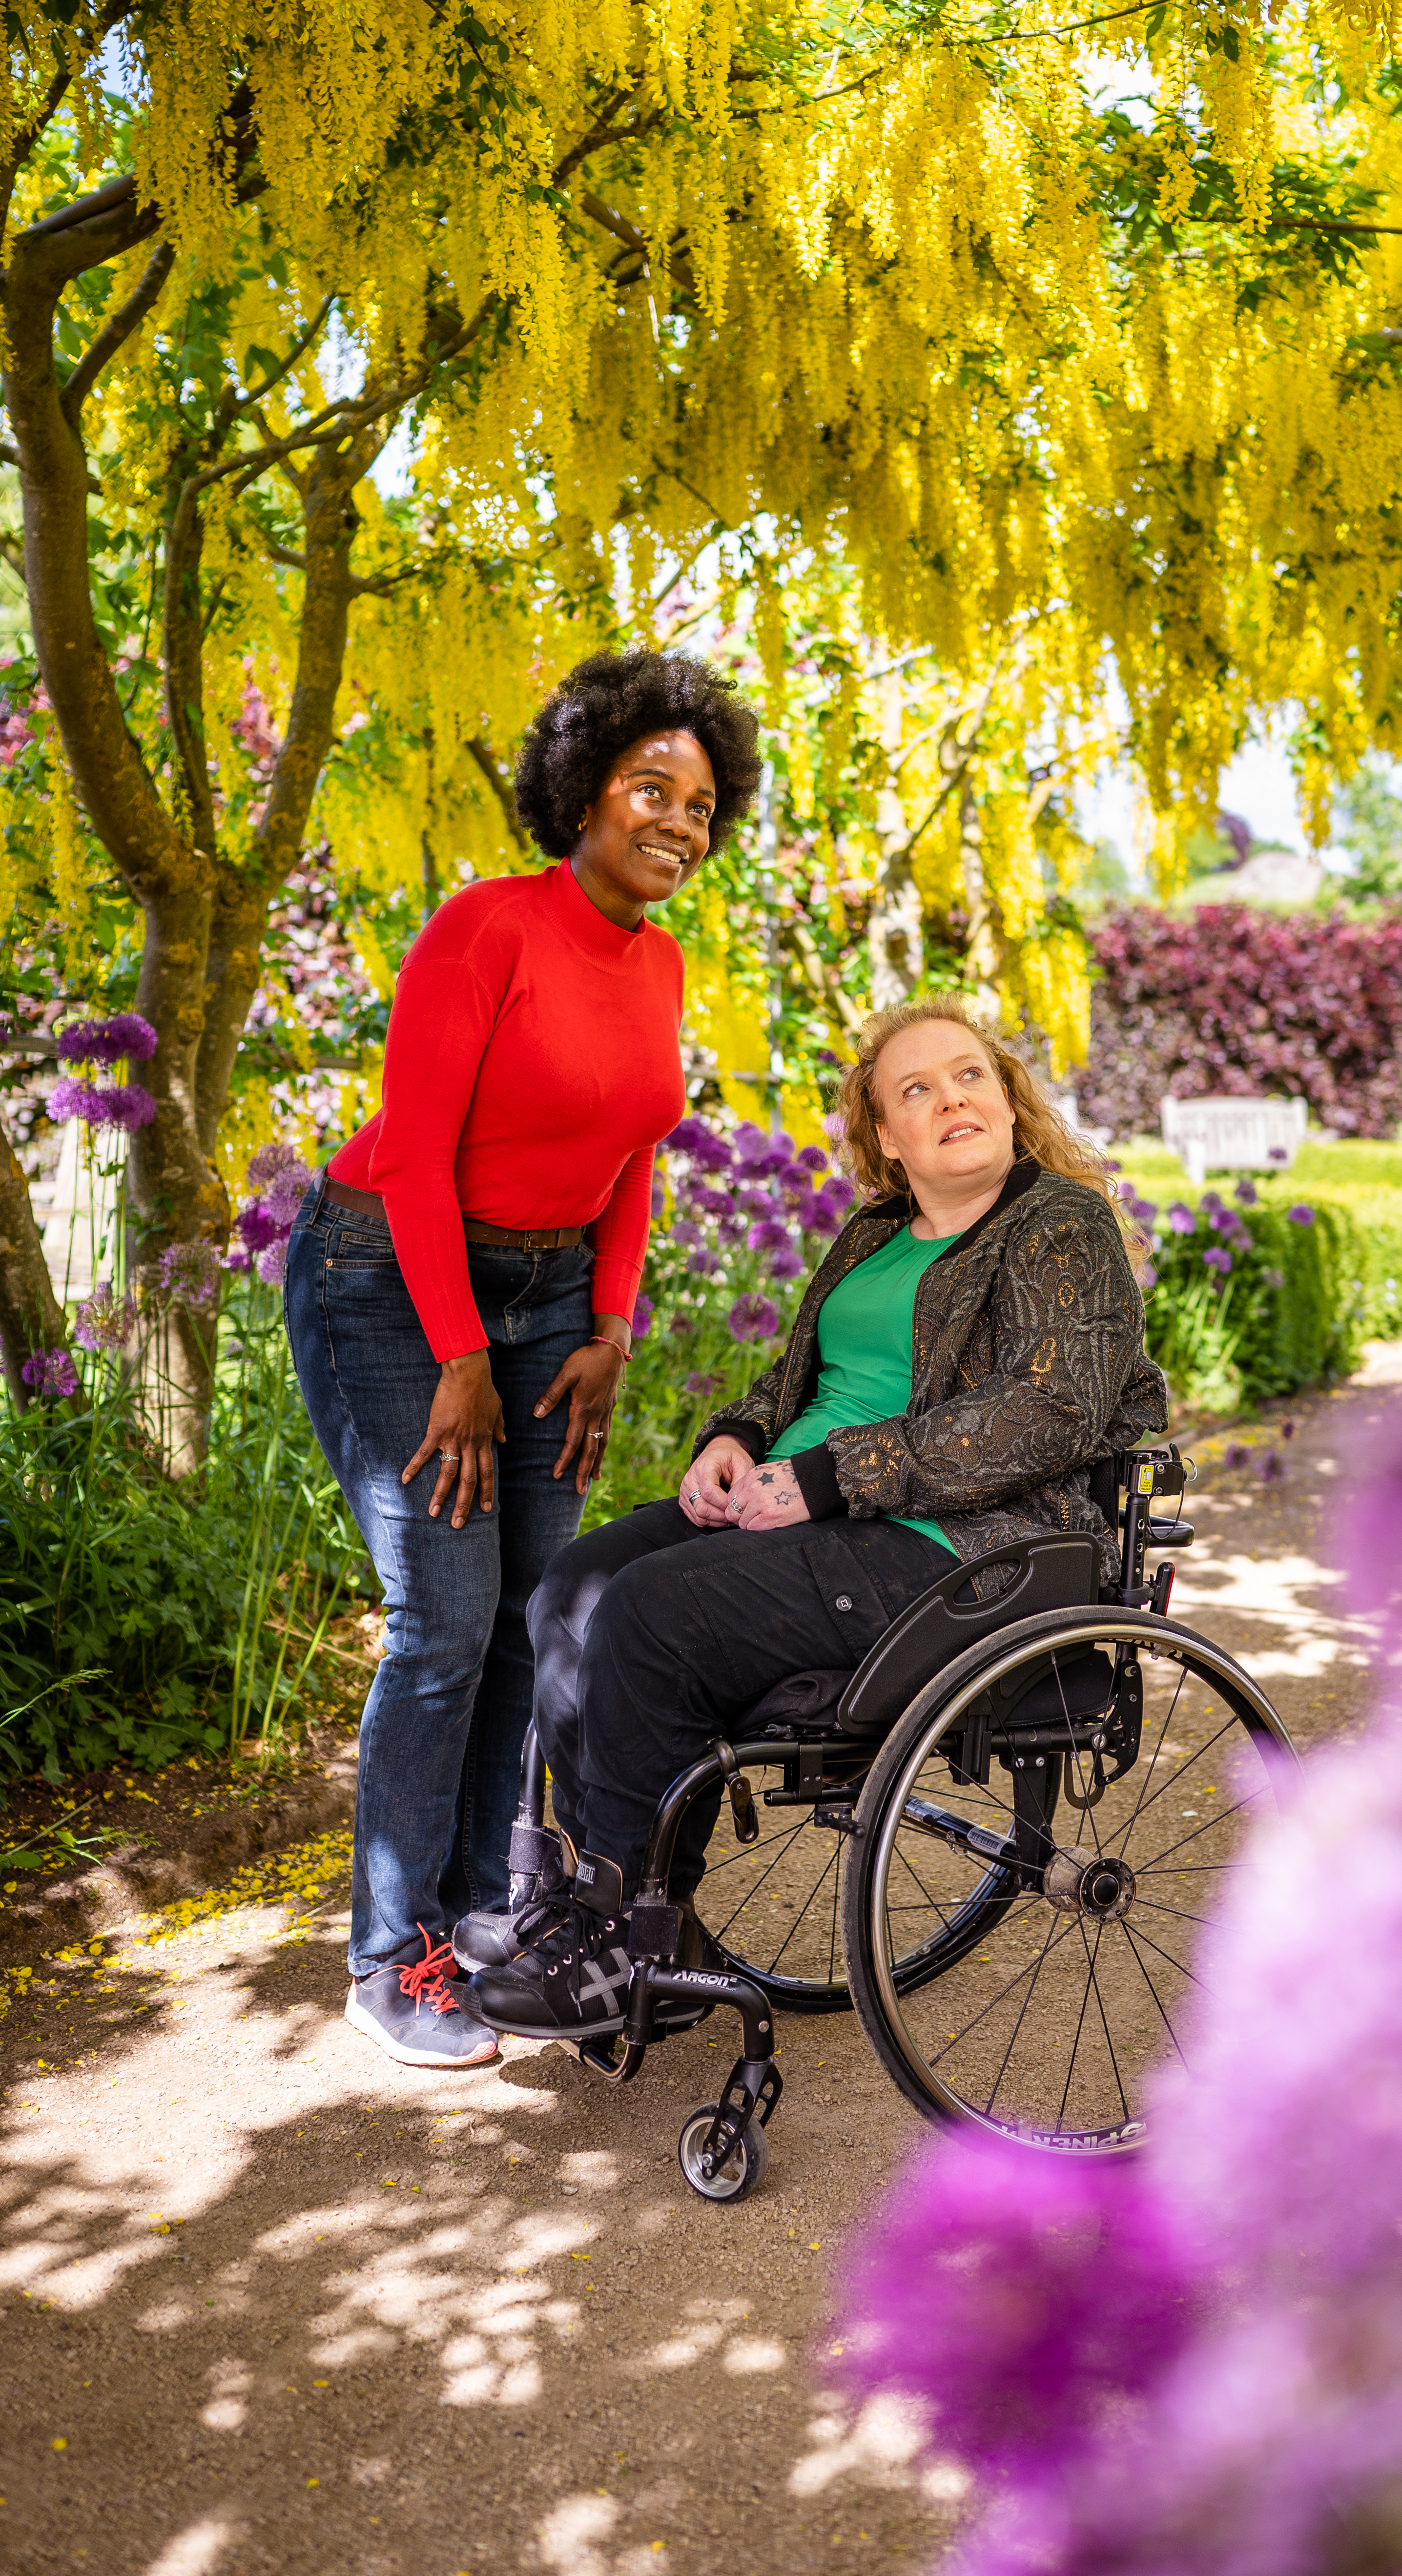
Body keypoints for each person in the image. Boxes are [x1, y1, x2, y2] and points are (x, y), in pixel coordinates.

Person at [457, 995, 1168, 2044]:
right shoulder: (873, 1234)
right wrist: (734, 1440)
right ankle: (615, 1910)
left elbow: (1047, 1416)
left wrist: (836, 1478)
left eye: (969, 1077)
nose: (950, 1100)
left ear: (1010, 1103)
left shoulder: (1056, 1225)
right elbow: (801, 1381)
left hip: (956, 1548)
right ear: (887, 1138)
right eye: (915, 1090)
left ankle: (621, 1941)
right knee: (570, 1590)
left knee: (653, 1613)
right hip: (794, 1507)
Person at [285, 649, 761, 2066]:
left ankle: (491, 1914)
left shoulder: (663, 961)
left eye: (702, 801)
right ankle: (391, 1955)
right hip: (391, 1277)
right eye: (650, 789)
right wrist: (460, 1356)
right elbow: (420, 1159)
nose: (679, 820)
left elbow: (632, 1161)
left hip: (554, 1305)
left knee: (527, 1609)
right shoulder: (484, 931)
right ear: (585, 790)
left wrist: (610, 1327)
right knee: (440, 1615)